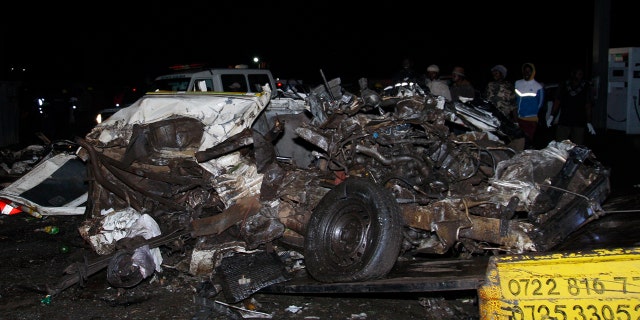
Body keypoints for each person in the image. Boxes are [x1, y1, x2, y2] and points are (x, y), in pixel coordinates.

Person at [547, 67, 596, 145]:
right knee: (560, 144)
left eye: (581, 74)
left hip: (579, 121)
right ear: (573, 74)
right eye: (579, 74)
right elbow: (557, 102)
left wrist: (589, 122)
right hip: (564, 120)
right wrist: (551, 117)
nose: (580, 76)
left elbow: (588, 105)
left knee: (577, 146)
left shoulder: (586, 86)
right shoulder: (563, 85)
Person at [514, 62, 544, 145]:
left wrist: (532, 113)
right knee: (517, 141)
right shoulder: (517, 83)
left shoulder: (538, 86)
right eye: (525, 71)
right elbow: (514, 99)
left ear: (533, 72)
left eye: (529, 71)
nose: (527, 73)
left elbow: (540, 104)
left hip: (530, 120)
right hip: (518, 118)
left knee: (527, 142)